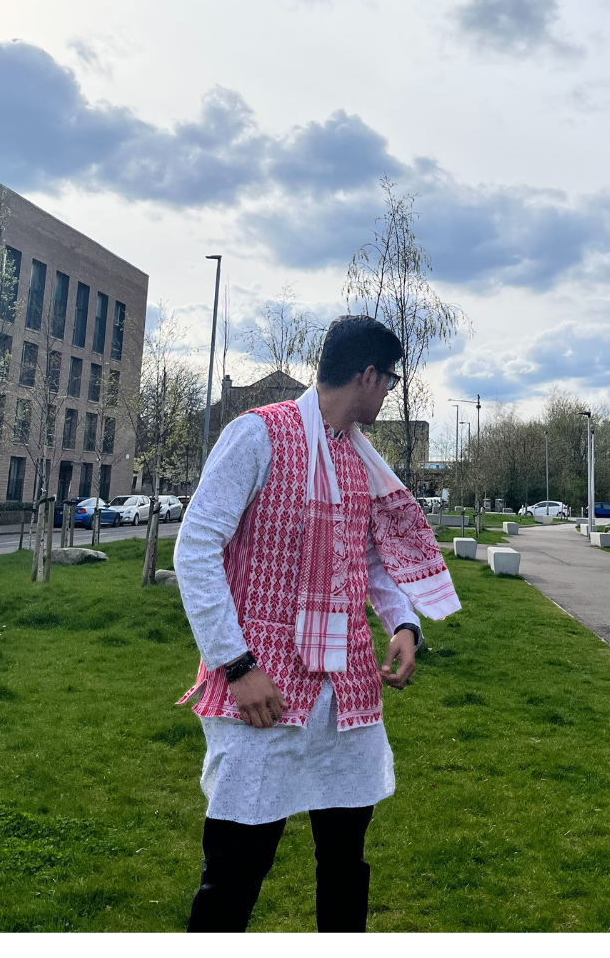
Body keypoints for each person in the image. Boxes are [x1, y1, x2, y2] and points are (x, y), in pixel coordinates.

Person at [174, 315, 461, 933]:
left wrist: (404, 623)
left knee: (344, 865)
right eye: (388, 379)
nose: (389, 392)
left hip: (347, 694)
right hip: (263, 692)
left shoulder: (359, 458)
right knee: (234, 871)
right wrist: (238, 665)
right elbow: (195, 548)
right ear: (365, 375)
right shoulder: (258, 436)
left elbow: (369, 558)